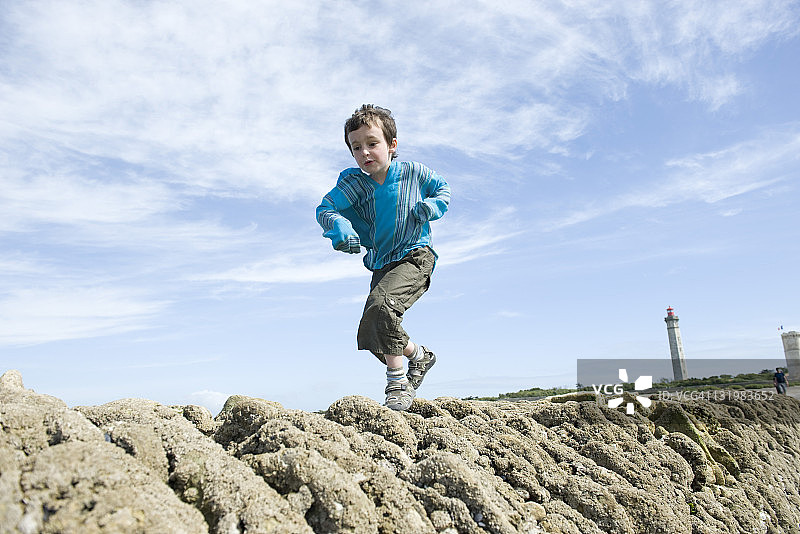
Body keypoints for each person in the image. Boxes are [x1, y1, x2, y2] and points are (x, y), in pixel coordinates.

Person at [316, 104, 450, 411]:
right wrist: (339, 226)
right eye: (356, 147)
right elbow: (325, 208)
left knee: (382, 308)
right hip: (382, 261)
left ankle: (397, 382)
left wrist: (432, 207)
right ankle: (419, 355)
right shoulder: (355, 185)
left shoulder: (414, 172)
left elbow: (442, 189)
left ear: (391, 145)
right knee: (373, 327)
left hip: (416, 254)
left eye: (372, 144)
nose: (365, 153)